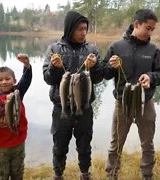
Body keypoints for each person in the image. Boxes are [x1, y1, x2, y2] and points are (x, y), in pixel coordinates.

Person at [102, 9, 160, 180]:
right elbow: (105, 74)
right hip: (122, 103)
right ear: (136, 24)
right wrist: (110, 65)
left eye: (153, 29)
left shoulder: (154, 50)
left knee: (148, 144)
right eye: (148, 28)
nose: (150, 32)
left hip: (146, 103)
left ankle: (147, 175)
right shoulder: (116, 46)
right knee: (116, 144)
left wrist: (151, 77)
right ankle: (112, 175)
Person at [42, 11, 103, 180]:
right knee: (59, 145)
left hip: (85, 108)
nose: (84, 32)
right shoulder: (54, 49)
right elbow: (48, 79)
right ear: (70, 29)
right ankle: (58, 174)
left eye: (85, 29)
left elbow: (98, 78)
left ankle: (84, 173)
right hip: (61, 108)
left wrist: (96, 65)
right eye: (80, 29)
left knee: (85, 144)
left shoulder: (91, 50)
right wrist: (54, 67)